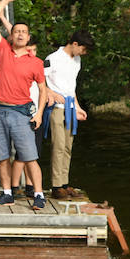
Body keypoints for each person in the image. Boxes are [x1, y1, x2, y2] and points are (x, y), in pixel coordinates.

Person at [0, 0, 48, 209]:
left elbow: (43, 89)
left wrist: (39, 113)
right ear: (11, 35)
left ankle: (38, 194)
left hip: (21, 112)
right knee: (2, 156)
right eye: (16, 31)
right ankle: (8, 192)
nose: (20, 34)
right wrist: (4, 2)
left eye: (24, 32)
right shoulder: (3, 49)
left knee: (29, 156)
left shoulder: (36, 62)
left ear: (28, 38)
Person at [44, 30, 93, 200]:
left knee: (67, 147)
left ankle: (64, 183)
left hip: (71, 106)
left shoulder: (76, 60)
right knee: (58, 145)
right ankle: (56, 186)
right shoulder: (53, 58)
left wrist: (78, 108)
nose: (84, 53)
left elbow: (71, 87)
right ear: (75, 44)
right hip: (56, 107)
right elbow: (39, 81)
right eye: (83, 49)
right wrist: (50, 93)